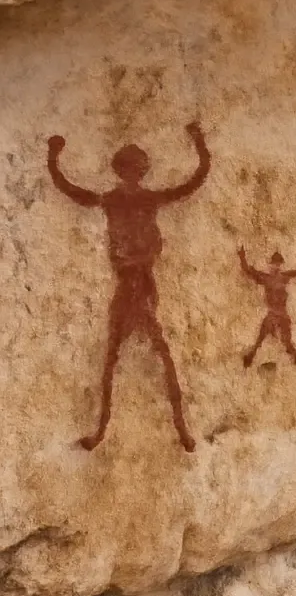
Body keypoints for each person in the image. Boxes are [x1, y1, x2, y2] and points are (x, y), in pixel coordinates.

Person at [47, 122, 210, 452]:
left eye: (136, 168)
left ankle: (177, 430)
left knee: (142, 357)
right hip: (131, 283)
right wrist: (53, 160)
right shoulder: (121, 199)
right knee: (124, 358)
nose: (134, 172)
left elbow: (194, 181)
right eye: (132, 167)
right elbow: (71, 190)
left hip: (140, 284)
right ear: (130, 170)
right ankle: (109, 430)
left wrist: (54, 158)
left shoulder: (128, 199)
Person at [238, 248, 296, 367]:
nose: (276, 266)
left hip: (282, 314)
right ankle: (250, 357)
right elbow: (248, 271)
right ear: (271, 265)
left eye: (278, 264)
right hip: (272, 314)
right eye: (274, 264)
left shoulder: (284, 277)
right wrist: (242, 257)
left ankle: (295, 355)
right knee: (260, 338)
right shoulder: (265, 278)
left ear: (281, 265)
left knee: (287, 342)